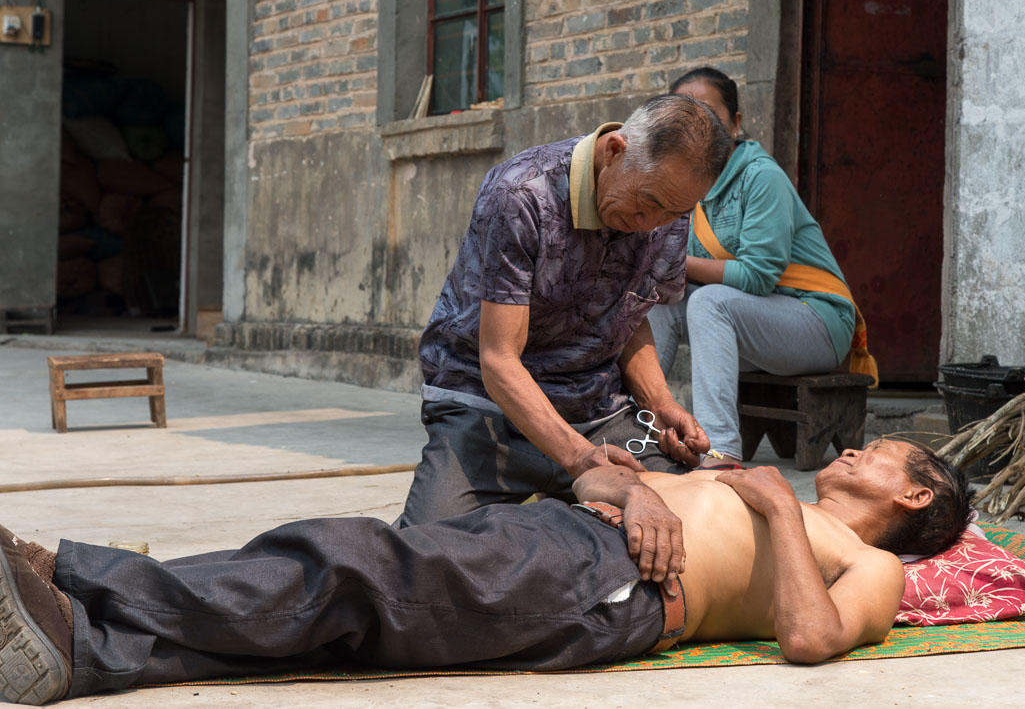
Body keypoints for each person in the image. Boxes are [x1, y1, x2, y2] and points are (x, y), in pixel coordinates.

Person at [0, 439, 972, 705]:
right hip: (567, 536)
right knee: (349, 602)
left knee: (353, 569)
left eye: (878, 453)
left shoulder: (862, 564)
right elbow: (613, 479)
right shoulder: (772, 490)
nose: (850, 453)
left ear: (915, 496)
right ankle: (85, 645)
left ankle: (77, 586)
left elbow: (807, 637)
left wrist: (766, 505)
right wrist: (630, 481)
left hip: (612, 589)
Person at [398, 93, 736, 528]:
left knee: (698, 522)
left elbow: (630, 315)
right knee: (426, 551)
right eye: (649, 203)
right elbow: (498, 360)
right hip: (484, 405)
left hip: (597, 408)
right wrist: (580, 458)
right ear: (615, 151)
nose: (655, 223)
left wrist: (661, 402)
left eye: (674, 211)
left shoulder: (669, 210)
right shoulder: (520, 194)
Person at [648, 67, 876, 470]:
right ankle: (636, 426)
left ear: (735, 124)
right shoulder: (684, 184)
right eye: (686, 119)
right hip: (755, 325)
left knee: (709, 301)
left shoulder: (760, 177)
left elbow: (757, 277)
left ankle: (718, 452)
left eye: (710, 116)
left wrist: (677, 263)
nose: (699, 131)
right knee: (660, 302)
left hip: (816, 321)